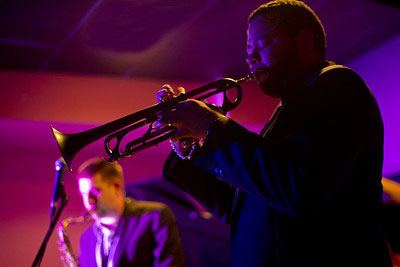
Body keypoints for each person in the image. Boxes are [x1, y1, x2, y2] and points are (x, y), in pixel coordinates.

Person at [156, 1, 392, 266]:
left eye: (262, 44)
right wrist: (189, 144)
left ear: (304, 41)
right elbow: (241, 207)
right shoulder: (288, 107)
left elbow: (298, 190)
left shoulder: (337, 84)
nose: (251, 58)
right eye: (249, 51)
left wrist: (212, 126)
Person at [76, 158, 186, 267]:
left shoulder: (154, 217)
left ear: (116, 186)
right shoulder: (86, 238)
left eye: (95, 191)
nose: (89, 201)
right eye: (84, 194)